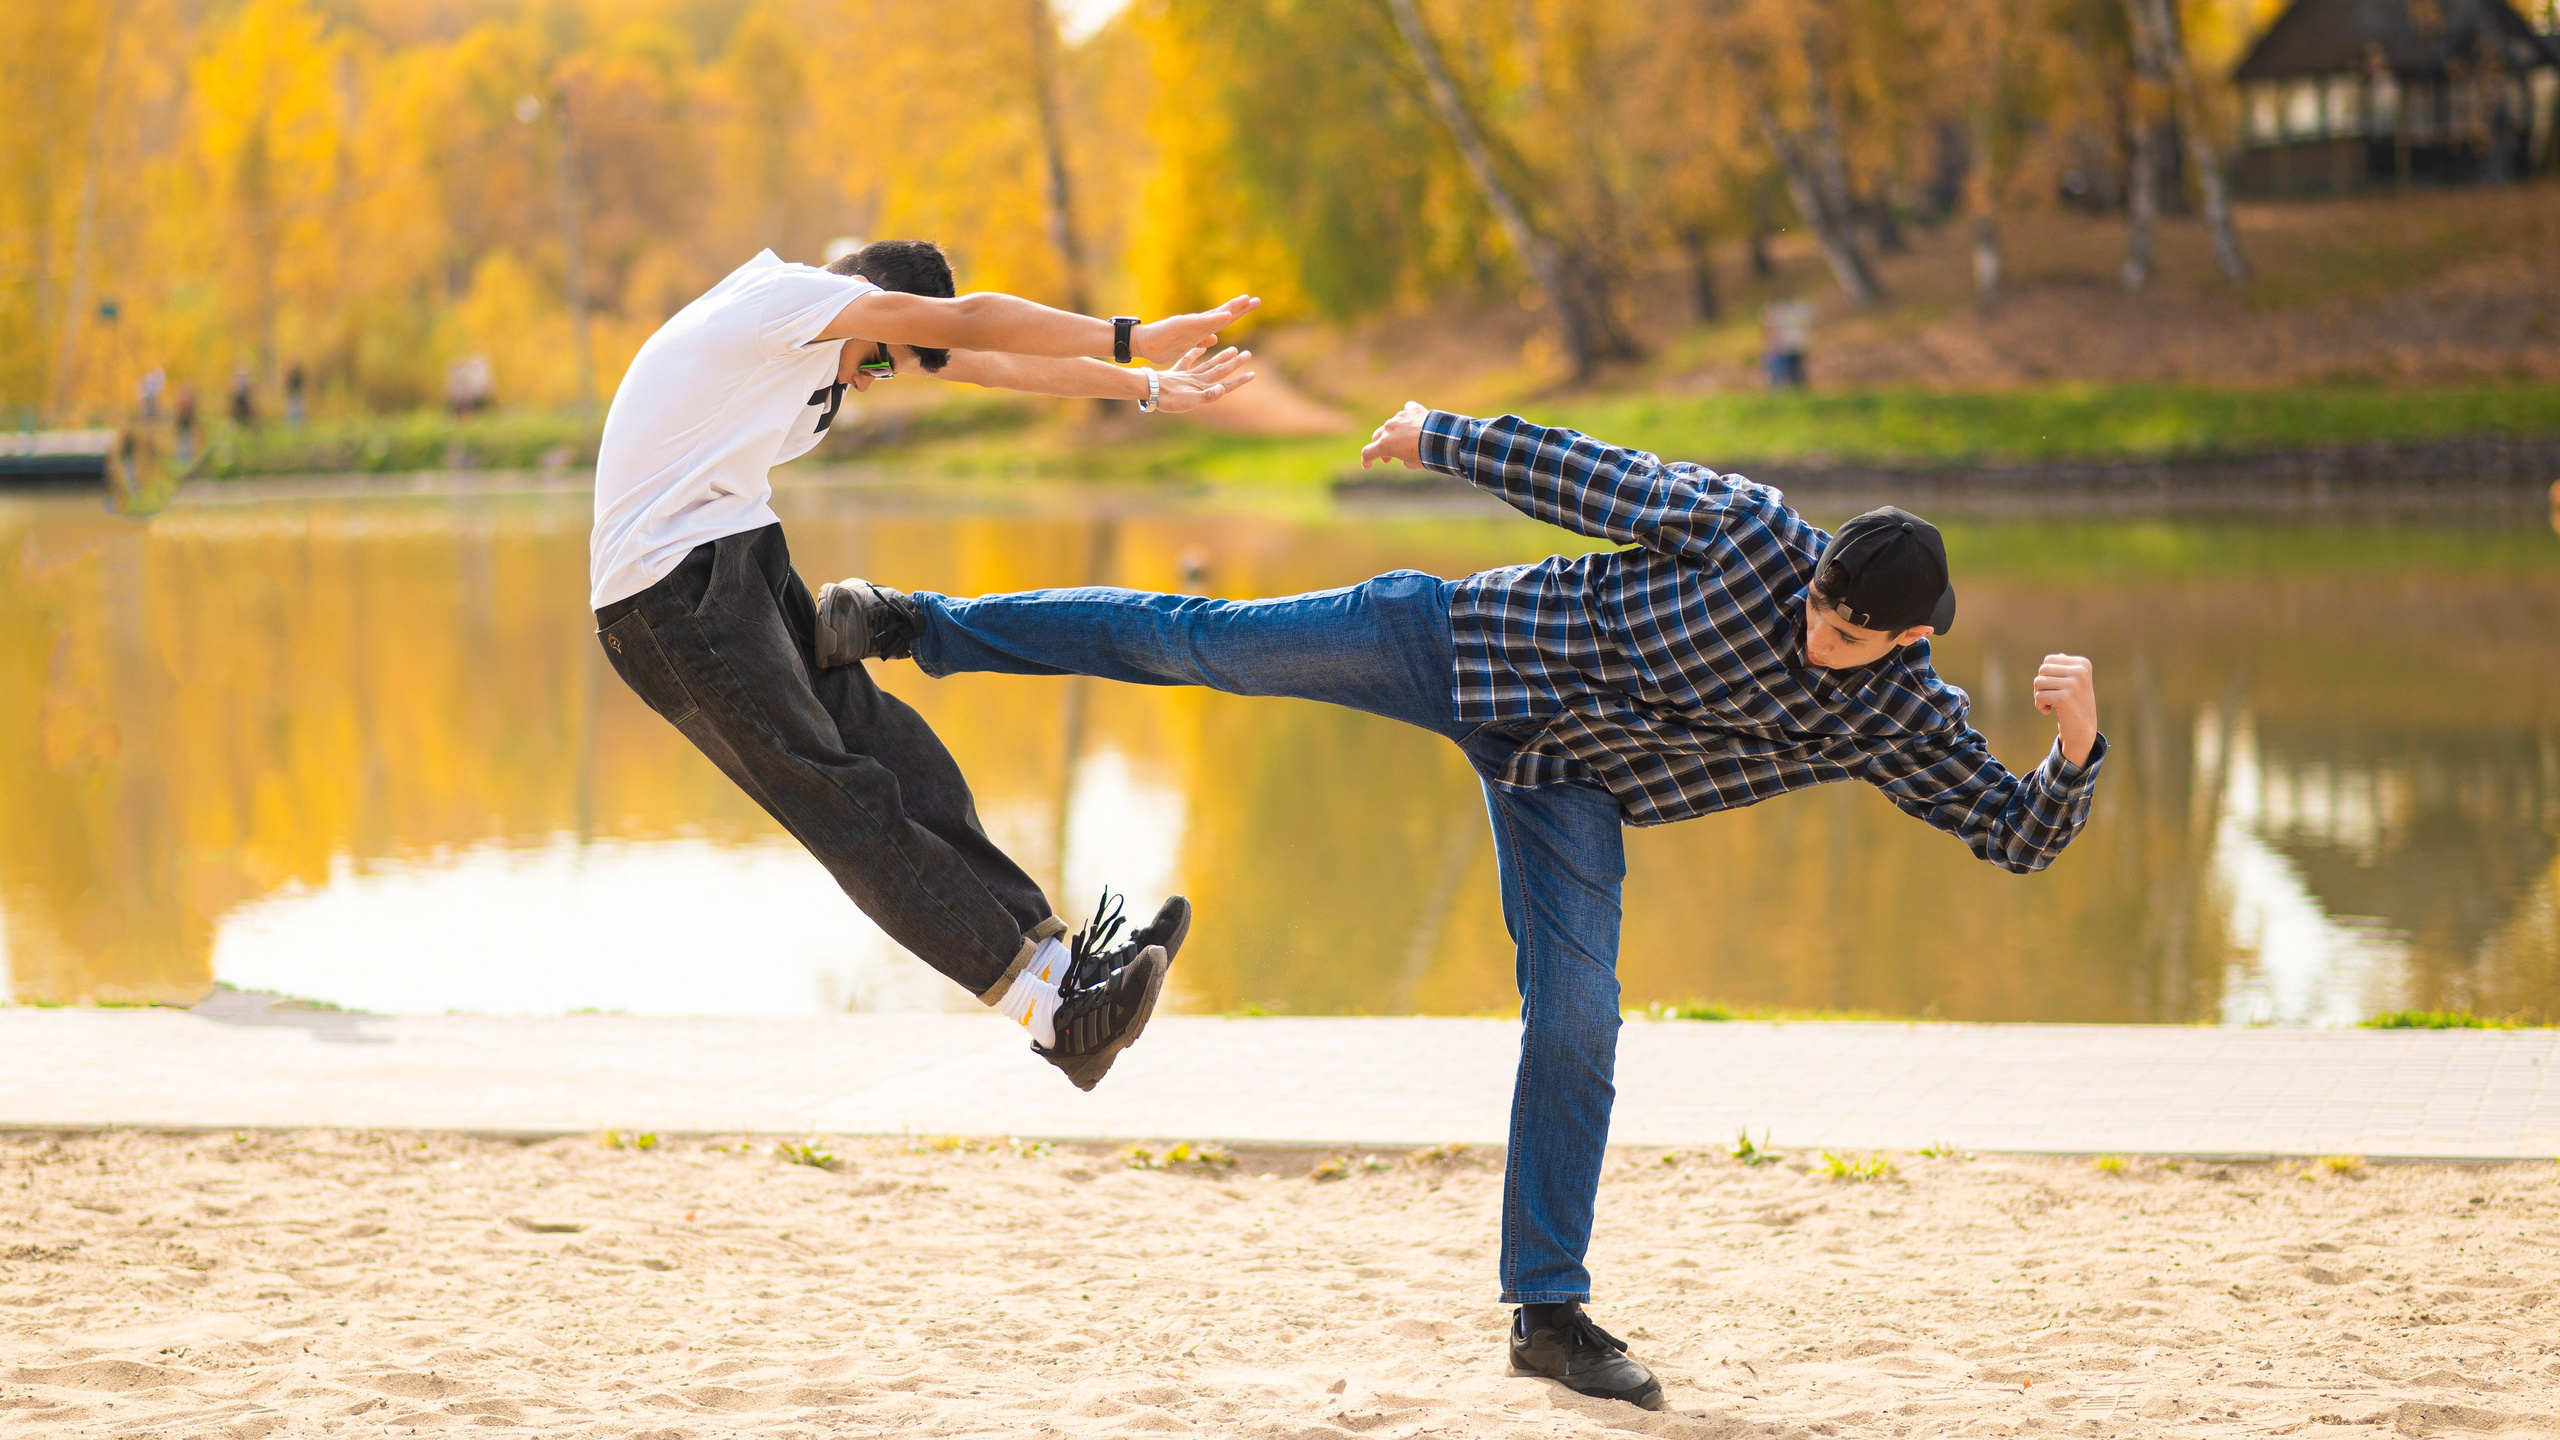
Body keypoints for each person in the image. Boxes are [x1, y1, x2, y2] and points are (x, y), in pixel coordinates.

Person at [819, 400, 2106, 1408]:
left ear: (1905, 639)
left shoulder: (1896, 712)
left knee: (1578, 1024)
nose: (1816, 631)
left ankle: (1547, 1313)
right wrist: (1443, 437)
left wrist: (2073, 746)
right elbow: (1593, 474)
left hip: (1571, 790)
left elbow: (2011, 832)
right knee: (1200, 640)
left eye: (1844, 633)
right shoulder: (1752, 535)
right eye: (1821, 605)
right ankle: (912, 620)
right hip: (1463, 647)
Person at [590, 239, 1260, 1090]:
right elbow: (971, 320)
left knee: (903, 754)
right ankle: (1050, 1012)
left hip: (736, 563)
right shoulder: (784, 302)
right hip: (664, 596)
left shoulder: (823, 330)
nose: (873, 380)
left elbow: (984, 359)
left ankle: (1063, 976)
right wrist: (1135, 336)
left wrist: (1145, 387)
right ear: (871, 298)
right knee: (846, 798)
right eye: (884, 357)